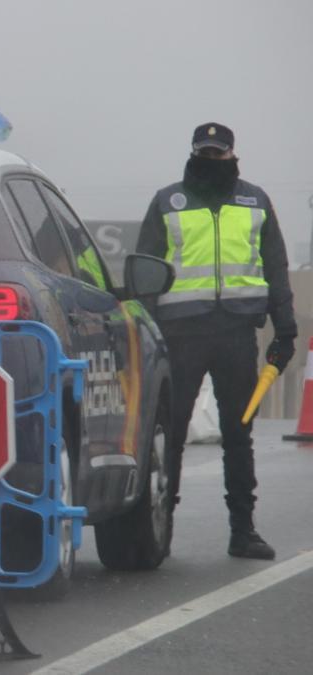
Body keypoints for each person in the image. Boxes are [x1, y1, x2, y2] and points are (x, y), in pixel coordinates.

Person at [135, 122, 296, 560]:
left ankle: (242, 530)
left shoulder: (255, 201)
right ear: (193, 154)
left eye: (217, 154)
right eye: (204, 153)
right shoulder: (168, 202)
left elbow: (276, 269)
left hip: (237, 335)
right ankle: (159, 527)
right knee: (168, 435)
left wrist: (286, 330)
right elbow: (145, 272)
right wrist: (149, 332)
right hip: (181, 336)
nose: (210, 160)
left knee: (237, 433)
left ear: (231, 155)